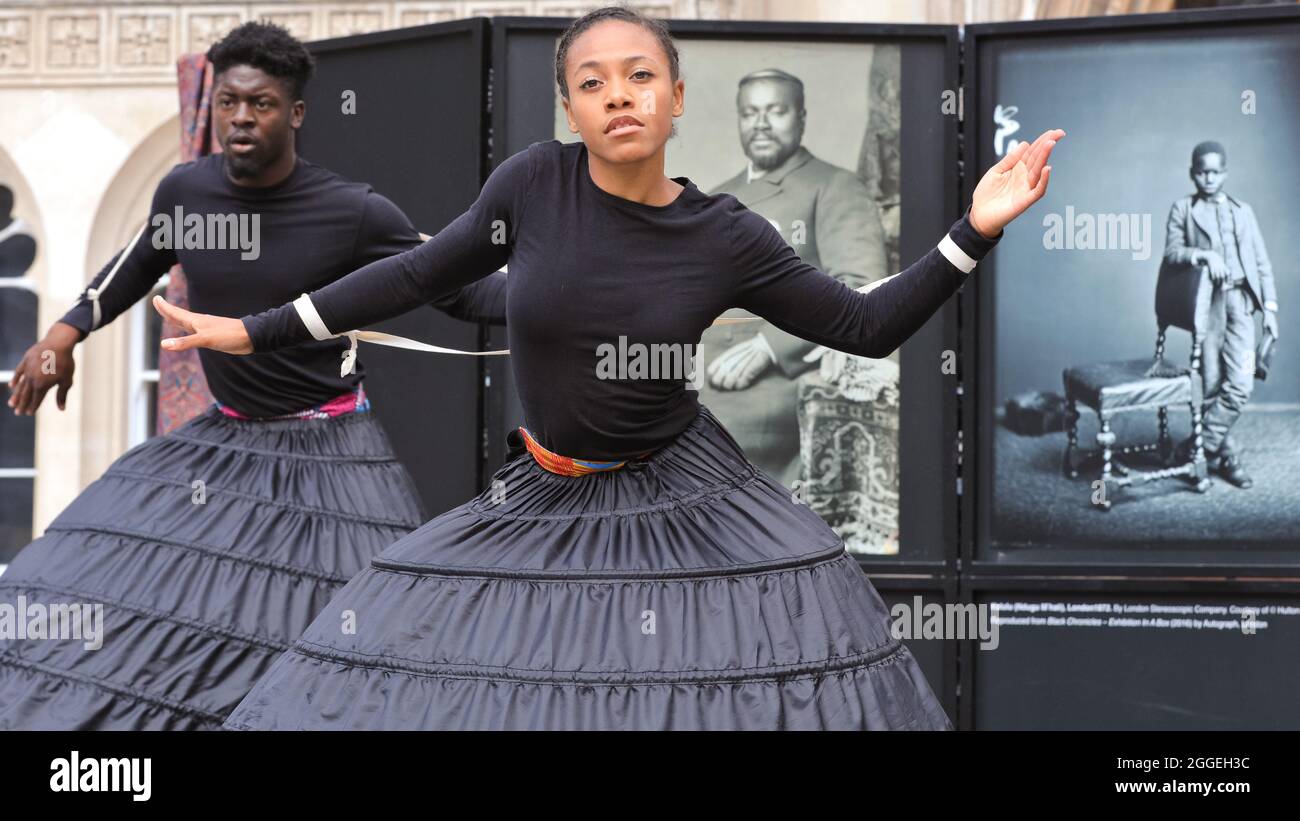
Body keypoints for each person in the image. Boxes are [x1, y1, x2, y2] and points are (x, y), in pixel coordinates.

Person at [157, 6, 1062, 730]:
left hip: (684, 503)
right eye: (592, 83)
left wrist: (973, 230)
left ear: (675, 98)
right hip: (545, 492)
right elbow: (418, 274)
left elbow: (863, 325)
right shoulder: (532, 185)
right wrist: (254, 330)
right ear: (571, 109)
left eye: (638, 77)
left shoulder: (726, 233)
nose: (617, 96)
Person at [0, 21, 505, 729]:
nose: (241, 118)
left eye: (261, 104)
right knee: (130, 608)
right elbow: (131, 269)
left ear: (294, 112)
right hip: (226, 448)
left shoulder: (353, 212)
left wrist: (566, 301)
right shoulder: (186, 194)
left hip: (334, 457)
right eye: (229, 102)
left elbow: (454, 291)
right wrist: (63, 333)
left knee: (368, 643)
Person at [699, 68, 890, 487]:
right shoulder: (715, 197)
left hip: (771, 391)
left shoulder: (834, 186)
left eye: (776, 111)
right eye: (750, 113)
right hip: (694, 377)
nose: (761, 124)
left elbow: (862, 286)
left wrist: (770, 348)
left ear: (801, 118)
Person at [1163, 140, 1278, 489]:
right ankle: (1227, 455)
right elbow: (1171, 253)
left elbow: (1261, 263)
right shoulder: (1183, 209)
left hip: (1241, 306)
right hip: (1207, 308)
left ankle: (1197, 449)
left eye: (1215, 172)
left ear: (1225, 173)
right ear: (1192, 173)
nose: (1208, 178)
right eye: (1202, 172)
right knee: (1210, 383)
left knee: (1240, 383)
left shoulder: (1243, 211)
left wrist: (1270, 310)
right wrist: (1203, 255)